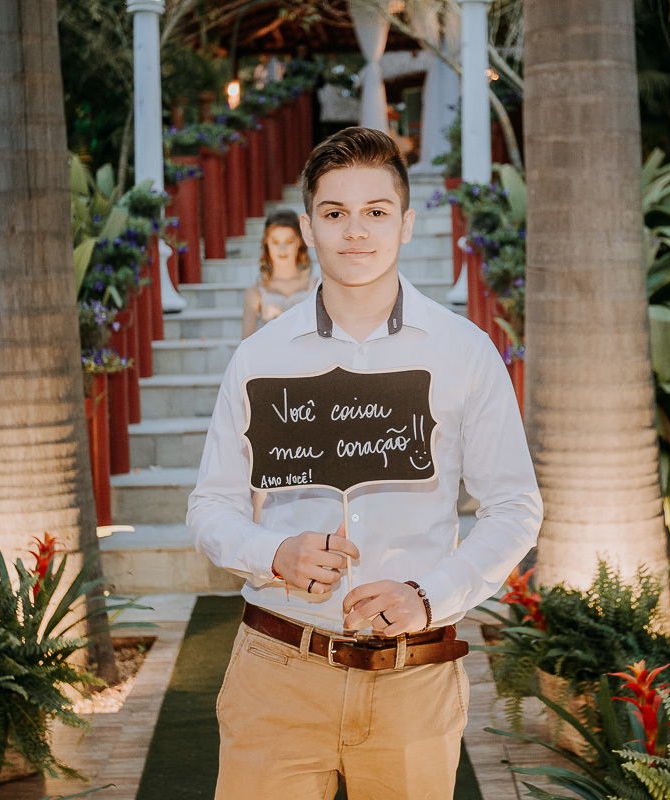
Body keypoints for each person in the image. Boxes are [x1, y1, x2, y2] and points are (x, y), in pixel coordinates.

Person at [187, 126, 542, 799]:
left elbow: (514, 508)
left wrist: (429, 595)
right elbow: (210, 506)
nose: (356, 231)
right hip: (277, 667)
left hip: (413, 675)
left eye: (376, 212)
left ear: (405, 223)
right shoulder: (261, 357)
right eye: (335, 213)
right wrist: (272, 553)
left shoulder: (463, 352)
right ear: (308, 226)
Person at [241, 208, 317, 340]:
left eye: (289, 242)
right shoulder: (255, 292)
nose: (282, 249)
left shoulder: (316, 286)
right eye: (275, 242)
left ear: (299, 241)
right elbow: (246, 342)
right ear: (266, 242)